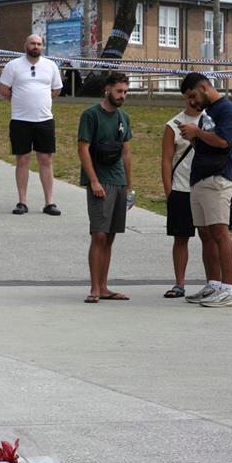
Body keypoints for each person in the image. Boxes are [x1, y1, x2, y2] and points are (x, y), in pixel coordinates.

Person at [178, 72, 232, 308]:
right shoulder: (209, 113)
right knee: (205, 234)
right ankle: (213, 284)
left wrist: (198, 133)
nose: (192, 102)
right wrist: (194, 137)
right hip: (200, 177)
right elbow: (208, 141)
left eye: (193, 96)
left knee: (219, 232)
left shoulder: (226, 109)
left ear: (204, 87)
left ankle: (228, 289)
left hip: (217, 178)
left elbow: (224, 141)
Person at [78, 72, 133, 304]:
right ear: (107, 89)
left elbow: (126, 152)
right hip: (100, 182)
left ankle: (104, 286)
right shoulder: (91, 115)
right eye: (119, 91)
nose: (122, 96)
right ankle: (94, 288)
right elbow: (83, 149)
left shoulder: (124, 117)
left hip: (119, 181)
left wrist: (130, 187)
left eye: (125, 92)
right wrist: (93, 181)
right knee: (98, 234)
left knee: (110, 236)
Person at [0, 34, 63, 215]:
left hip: (44, 120)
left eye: (39, 44)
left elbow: (56, 89)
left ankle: (49, 202)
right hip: (20, 120)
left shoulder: (50, 66)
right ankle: (22, 202)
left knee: (45, 159)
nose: (36, 46)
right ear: (25, 45)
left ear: (42, 47)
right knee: (23, 159)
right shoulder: (13, 66)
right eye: (32, 43)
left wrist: (41, 100)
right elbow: (3, 89)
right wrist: (18, 100)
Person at [160, 87, 202, 299]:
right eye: (190, 96)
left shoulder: (211, 121)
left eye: (197, 96)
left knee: (211, 238)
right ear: (185, 97)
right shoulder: (173, 125)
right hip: (181, 188)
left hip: (205, 188)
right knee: (181, 238)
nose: (194, 100)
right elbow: (166, 160)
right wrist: (169, 191)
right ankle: (179, 283)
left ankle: (215, 282)